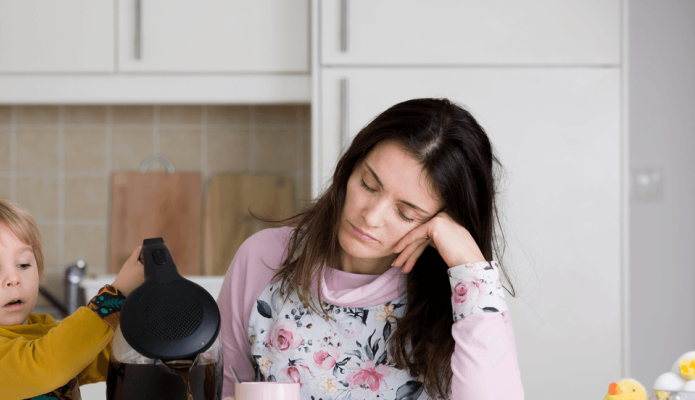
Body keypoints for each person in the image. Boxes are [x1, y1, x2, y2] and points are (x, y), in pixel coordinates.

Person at [218, 98, 524, 399]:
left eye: (406, 213)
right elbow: (222, 386)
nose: (371, 216)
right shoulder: (263, 257)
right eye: (367, 184)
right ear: (350, 168)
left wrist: (468, 264)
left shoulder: (457, 294)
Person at [0, 185, 145, 399]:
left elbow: (100, 355)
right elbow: (47, 364)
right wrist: (115, 296)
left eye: (24, 264)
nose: (13, 279)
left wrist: (149, 325)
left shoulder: (42, 331)